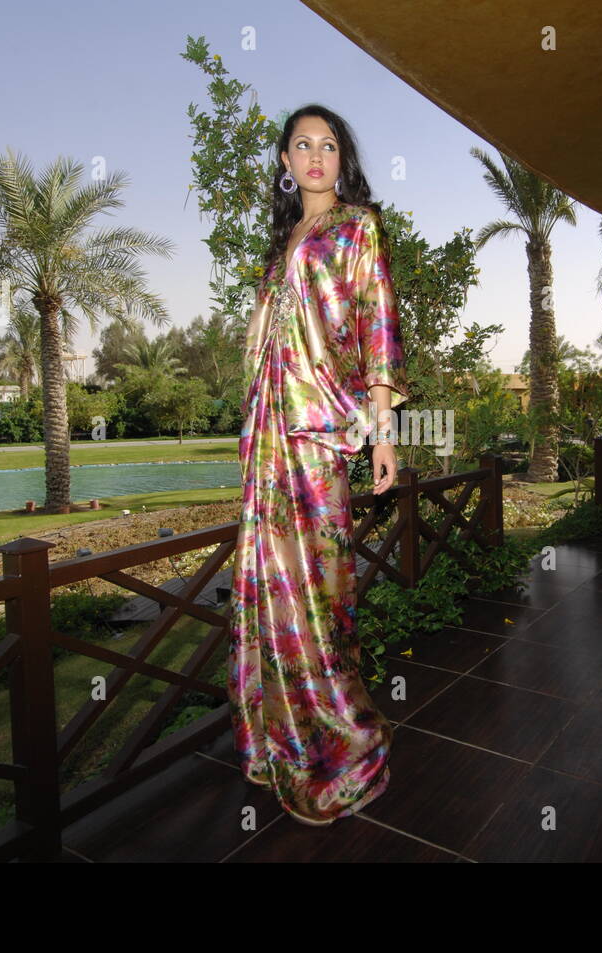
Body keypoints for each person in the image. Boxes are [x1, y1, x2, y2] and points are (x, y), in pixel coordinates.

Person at [227, 105, 408, 825]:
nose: (314, 155)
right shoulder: (282, 247)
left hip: (321, 433)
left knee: (321, 595)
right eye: (301, 144)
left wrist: (384, 432)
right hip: (268, 436)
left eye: (327, 145)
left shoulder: (356, 227)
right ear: (284, 161)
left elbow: (379, 324)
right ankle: (285, 743)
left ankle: (347, 747)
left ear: (343, 158)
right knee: (272, 589)